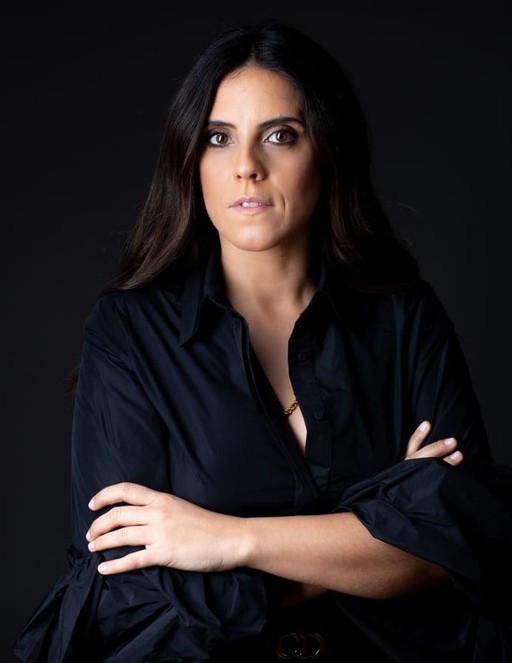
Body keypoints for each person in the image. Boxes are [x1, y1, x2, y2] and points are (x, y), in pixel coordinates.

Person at [13, 20, 512, 663]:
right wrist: (379, 533)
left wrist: (227, 539)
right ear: (190, 159)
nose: (246, 167)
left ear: (326, 151)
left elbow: (467, 536)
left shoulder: (405, 318)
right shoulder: (129, 333)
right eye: (218, 138)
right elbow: (128, 586)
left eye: (280, 135)